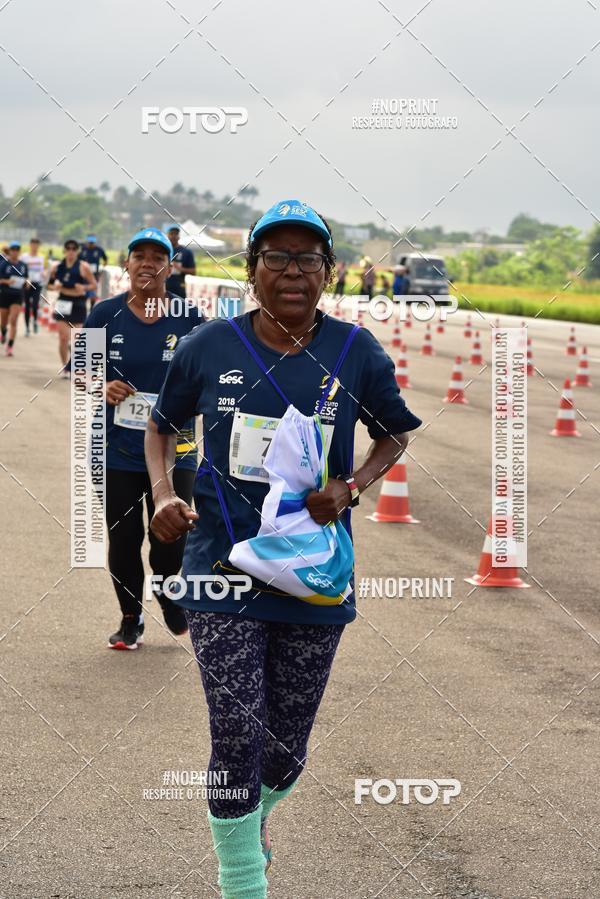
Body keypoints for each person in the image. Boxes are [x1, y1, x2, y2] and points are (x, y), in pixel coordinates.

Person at [145, 198, 422, 898]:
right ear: (253, 269)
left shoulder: (356, 351)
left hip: (312, 575)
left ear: (328, 271)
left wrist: (353, 483)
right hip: (218, 568)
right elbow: (160, 426)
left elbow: (394, 431)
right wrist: (161, 496)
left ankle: (252, 818)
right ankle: (242, 880)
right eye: (277, 257)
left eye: (307, 258)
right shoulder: (210, 345)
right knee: (236, 733)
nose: (292, 271)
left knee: (284, 749)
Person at [84, 227, 205, 650]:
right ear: (127, 264)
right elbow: (82, 370)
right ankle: (130, 618)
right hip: (117, 449)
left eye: (158, 257)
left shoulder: (191, 318)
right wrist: (103, 386)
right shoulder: (103, 313)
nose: (148, 263)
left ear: (170, 268)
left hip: (179, 449)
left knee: (171, 536)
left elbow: (207, 377)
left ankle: (170, 596)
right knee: (124, 537)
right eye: (140, 255)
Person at [47, 239, 97, 375]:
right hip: (63, 301)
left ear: (77, 251)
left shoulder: (83, 267)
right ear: (64, 250)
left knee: (77, 340)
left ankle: (76, 365)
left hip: (78, 303)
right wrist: (55, 286)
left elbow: (94, 285)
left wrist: (84, 287)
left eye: (74, 249)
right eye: (68, 248)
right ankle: (65, 367)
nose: (71, 251)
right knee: (63, 337)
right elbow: (49, 285)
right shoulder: (57, 267)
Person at [0, 241, 28, 356]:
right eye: (13, 250)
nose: (15, 252)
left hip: (17, 295)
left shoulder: (23, 265)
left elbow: (26, 279)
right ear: (10, 251)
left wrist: (26, 283)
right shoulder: (3, 264)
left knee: (14, 320)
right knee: (4, 321)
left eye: (17, 250)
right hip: (4, 294)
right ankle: (3, 332)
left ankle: (10, 346)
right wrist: (7, 281)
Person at [20, 237, 45, 335]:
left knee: (35, 305)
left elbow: (43, 270)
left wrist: (44, 274)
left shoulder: (41, 257)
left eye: (36, 245)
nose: (34, 246)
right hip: (26, 284)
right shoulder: (24, 257)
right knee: (27, 306)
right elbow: (21, 270)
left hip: (37, 283)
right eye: (33, 244)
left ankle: (35, 321)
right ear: (30, 245)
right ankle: (27, 328)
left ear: (38, 246)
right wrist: (24, 280)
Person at [165, 224, 196, 297]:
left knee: (179, 307)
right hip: (163, 288)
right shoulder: (162, 251)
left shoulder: (186, 252)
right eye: (171, 233)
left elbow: (193, 271)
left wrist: (179, 268)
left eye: (176, 234)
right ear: (167, 235)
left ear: (179, 236)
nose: (173, 236)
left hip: (179, 288)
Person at [79, 234, 108, 307]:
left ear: (95, 242)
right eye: (89, 243)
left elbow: (105, 259)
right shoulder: (83, 249)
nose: (91, 244)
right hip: (84, 275)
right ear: (87, 242)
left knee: (93, 292)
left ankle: (92, 307)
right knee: (84, 292)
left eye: (92, 243)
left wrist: (102, 269)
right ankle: (83, 306)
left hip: (95, 275)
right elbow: (78, 260)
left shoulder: (99, 250)